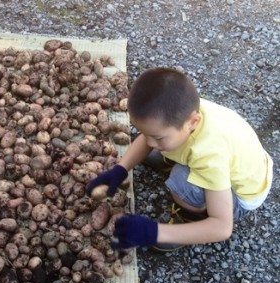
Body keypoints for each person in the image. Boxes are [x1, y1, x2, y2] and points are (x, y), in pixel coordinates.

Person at [86, 67, 273, 252]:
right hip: (243, 162)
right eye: (145, 133)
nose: (149, 142)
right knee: (166, 145)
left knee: (181, 183)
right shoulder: (181, 112)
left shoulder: (209, 156)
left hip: (241, 196)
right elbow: (149, 138)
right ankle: (170, 153)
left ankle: (188, 222)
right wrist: (120, 169)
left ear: (192, 123)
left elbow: (222, 227)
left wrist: (155, 231)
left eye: (158, 138)